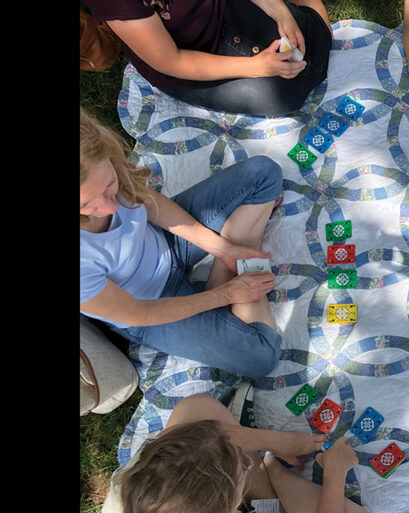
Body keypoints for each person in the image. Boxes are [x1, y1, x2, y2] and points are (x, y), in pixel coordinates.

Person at [80, 108, 283, 378]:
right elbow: (137, 314)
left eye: (110, 186)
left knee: (263, 173)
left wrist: (221, 248)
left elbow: (148, 203)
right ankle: (229, 271)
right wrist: (226, 294)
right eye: (84, 206)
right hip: (151, 304)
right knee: (261, 357)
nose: (108, 207)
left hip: (167, 240)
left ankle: (228, 265)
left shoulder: (101, 162)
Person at [86, 393, 383, 513]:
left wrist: (275, 441)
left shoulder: (135, 480)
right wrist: (335, 474)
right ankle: (276, 505)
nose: (246, 459)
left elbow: (189, 429)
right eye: (241, 469)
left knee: (198, 406)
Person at [85, 0, 333, 116]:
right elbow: (173, 61)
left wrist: (280, 13)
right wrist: (256, 67)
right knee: (284, 98)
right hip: (190, 57)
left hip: (224, 9)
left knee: (309, 38)